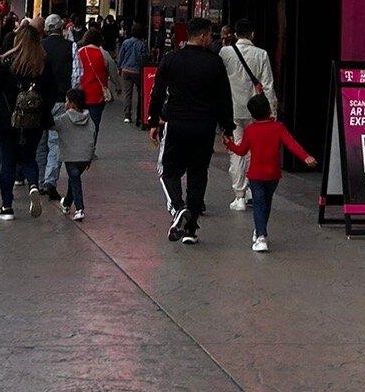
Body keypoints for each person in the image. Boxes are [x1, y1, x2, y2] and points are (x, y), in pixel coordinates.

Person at [149, 16, 234, 243]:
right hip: (204, 127)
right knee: (198, 175)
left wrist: (153, 119)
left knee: (169, 171)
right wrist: (228, 126)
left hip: (177, 124)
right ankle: (191, 229)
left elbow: (157, 92)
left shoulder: (171, 59)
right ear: (204, 35)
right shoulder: (215, 63)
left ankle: (178, 208)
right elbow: (224, 98)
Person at [0, 20, 57, 220]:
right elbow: (53, 92)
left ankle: (7, 207)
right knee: (29, 157)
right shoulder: (43, 64)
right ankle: (34, 185)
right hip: (34, 121)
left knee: (8, 161)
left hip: (7, 120)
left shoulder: (6, 62)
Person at [224, 95, 314, 252]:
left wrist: (229, 144)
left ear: (252, 114)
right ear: (268, 109)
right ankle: (260, 230)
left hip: (255, 175)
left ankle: (261, 236)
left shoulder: (250, 130)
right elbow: (291, 143)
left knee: (259, 203)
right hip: (273, 174)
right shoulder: (278, 128)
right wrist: (305, 156)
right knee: (266, 203)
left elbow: (242, 150)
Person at [221, 23, 279, 212]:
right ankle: (253, 190)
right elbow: (268, 84)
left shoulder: (225, 52)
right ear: (252, 34)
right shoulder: (261, 54)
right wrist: (272, 112)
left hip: (232, 109)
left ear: (235, 34)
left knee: (237, 151)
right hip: (256, 111)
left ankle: (239, 195)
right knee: (254, 152)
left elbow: (219, 81)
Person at [37, 13, 74, 198]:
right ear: (61, 28)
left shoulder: (40, 47)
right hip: (61, 99)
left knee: (40, 140)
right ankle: (50, 180)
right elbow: (76, 75)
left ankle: (38, 180)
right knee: (55, 141)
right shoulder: (70, 47)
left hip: (41, 99)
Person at [55, 83, 98, 220]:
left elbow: (51, 124)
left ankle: (79, 208)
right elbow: (93, 137)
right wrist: (90, 156)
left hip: (70, 155)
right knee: (73, 179)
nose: (65, 103)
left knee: (75, 179)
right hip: (84, 156)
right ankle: (67, 203)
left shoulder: (64, 118)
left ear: (72, 104)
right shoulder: (89, 118)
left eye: (67, 101)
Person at [75, 26, 113, 148]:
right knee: (94, 124)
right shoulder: (103, 54)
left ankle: (80, 145)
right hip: (97, 95)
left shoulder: (79, 52)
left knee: (80, 122)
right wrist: (117, 86)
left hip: (81, 93)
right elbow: (112, 70)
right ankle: (91, 148)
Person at [118, 23, 146, 123]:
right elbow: (143, 58)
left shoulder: (126, 42)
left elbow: (121, 56)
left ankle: (127, 115)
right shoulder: (142, 44)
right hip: (137, 71)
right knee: (140, 93)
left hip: (126, 69)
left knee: (128, 93)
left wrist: (119, 67)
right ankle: (139, 115)